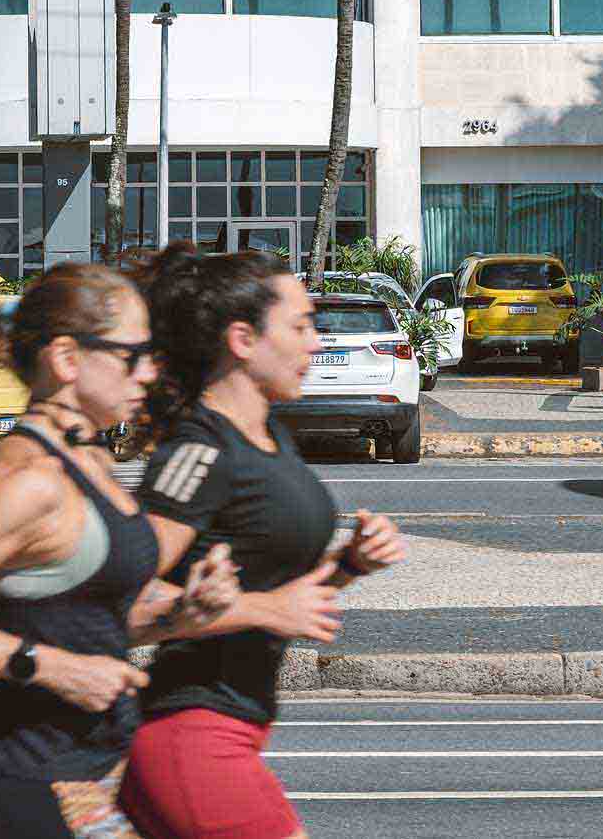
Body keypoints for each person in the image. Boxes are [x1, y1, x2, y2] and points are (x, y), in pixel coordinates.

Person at [0, 263, 251, 839]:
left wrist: (184, 612)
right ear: (67, 359)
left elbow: (85, 616)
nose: (148, 372)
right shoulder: (30, 478)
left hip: (88, 781)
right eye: (133, 355)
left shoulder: (89, 459)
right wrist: (52, 668)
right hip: (22, 790)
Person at [122, 246, 408, 839]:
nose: (316, 344)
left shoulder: (269, 435)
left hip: (233, 731)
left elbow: (279, 594)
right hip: (191, 736)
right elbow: (114, 604)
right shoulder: (200, 450)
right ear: (243, 340)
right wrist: (260, 608)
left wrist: (349, 565)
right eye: (300, 327)